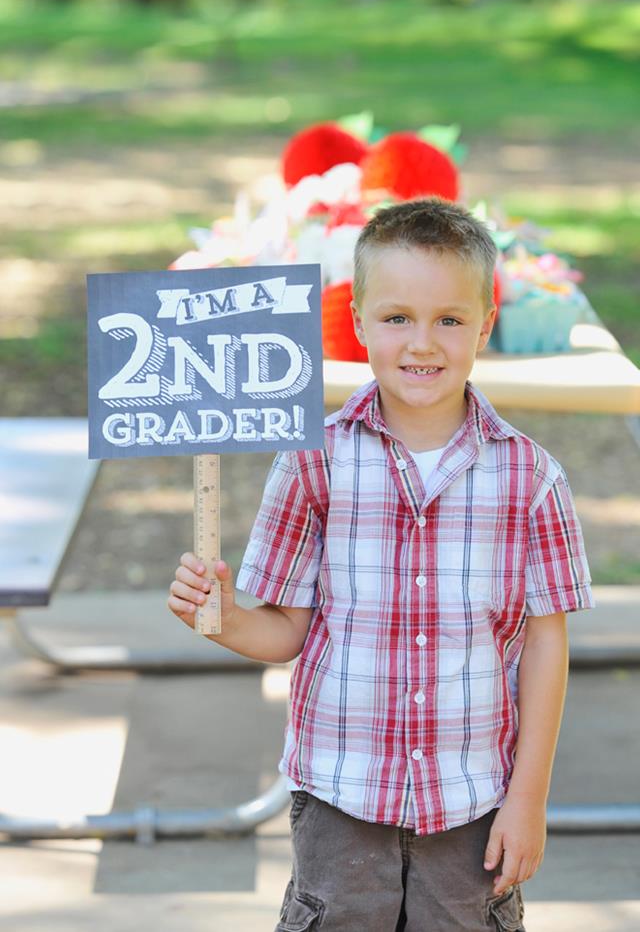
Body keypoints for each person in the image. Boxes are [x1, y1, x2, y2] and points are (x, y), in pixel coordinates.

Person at [168, 199, 594, 931]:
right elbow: (287, 632)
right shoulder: (313, 459)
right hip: (340, 801)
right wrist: (225, 617)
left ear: (485, 324)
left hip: (473, 806)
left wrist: (528, 798)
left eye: (449, 320)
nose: (421, 342)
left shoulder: (530, 478)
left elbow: (545, 644)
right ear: (358, 322)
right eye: (396, 318)